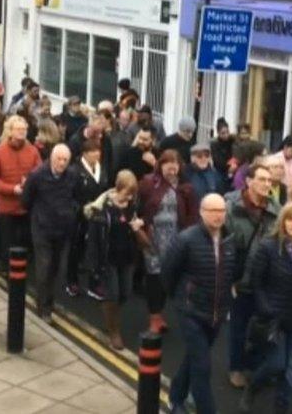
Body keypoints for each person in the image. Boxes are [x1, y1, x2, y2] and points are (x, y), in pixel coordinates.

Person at [242, 202, 292, 412]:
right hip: (273, 317)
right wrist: (265, 308)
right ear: (283, 221)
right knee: (276, 364)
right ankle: (252, 387)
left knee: (291, 368)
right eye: (290, 219)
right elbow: (256, 282)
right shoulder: (268, 247)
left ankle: (281, 406)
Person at [162, 193, 235, 414]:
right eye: (212, 211)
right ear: (202, 212)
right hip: (191, 312)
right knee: (202, 367)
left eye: (222, 211)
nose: (218, 216)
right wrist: (181, 299)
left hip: (216, 314)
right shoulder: (186, 239)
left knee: (194, 358)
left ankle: (175, 398)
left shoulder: (230, 239)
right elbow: (168, 273)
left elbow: (232, 272)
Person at [223, 164, 278, 389]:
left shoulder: (276, 209)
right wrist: (228, 282)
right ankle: (235, 368)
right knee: (238, 327)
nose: (267, 184)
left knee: (263, 328)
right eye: (262, 179)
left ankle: (254, 365)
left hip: (265, 282)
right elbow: (222, 247)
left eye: (269, 181)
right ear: (248, 181)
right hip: (240, 281)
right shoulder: (231, 208)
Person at [137, 149, 197, 334]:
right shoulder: (148, 183)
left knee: (167, 277)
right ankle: (154, 317)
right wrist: (142, 226)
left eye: (175, 166)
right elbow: (138, 207)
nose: (172, 171)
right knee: (154, 278)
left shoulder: (185, 187)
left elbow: (192, 214)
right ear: (160, 165)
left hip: (175, 238)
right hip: (153, 238)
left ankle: (160, 314)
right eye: (167, 166)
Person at [84, 170, 142, 350]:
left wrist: (137, 226)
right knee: (113, 294)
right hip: (108, 258)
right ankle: (113, 331)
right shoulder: (102, 208)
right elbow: (93, 239)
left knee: (125, 293)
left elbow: (135, 226)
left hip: (127, 257)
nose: (130, 197)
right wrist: (93, 264)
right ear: (119, 188)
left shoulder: (132, 205)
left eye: (132, 193)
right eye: (127, 193)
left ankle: (110, 316)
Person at [22, 144, 80, 323]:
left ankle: (49, 301)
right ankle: (43, 308)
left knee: (55, 268)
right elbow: (26, 200)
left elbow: (76, 196)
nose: (61, 163)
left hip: (62, 229)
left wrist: (71, 212)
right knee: (43, 267)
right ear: (51, 158)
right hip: (42, 228)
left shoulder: (72, 175)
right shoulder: (37, 175)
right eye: (58, 159)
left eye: (65, 160)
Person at [0, 115, 42, 263]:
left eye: (24, 129)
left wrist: (29, 181)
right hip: (6, 206)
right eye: (18, 129)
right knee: (7, 243)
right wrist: (11, 189)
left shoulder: (33, 151)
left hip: (26, 206)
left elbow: (39, 172)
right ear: (10, 131)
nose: (22, 132)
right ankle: (5, 269)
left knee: (24, 241)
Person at [66, 139, 110, 299]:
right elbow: (68, 196)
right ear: (84, 154)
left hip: (97, 217)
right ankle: (72, 281)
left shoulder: (102, 169)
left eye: (98, 151)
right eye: (93, 151)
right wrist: (80, 209)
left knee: (96, 251)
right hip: (79, 218)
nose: (97, 154)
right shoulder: (74, 171)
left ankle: (94, 284)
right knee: (76, 250)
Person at [210, 118, 236, 187]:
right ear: (218, 133)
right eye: (223, 133)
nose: (226, 135)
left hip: (232, 169)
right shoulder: (214, 144)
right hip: (220, 171)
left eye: (227, 132)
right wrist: (229, 167)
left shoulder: (232, 141)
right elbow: (218, 162)